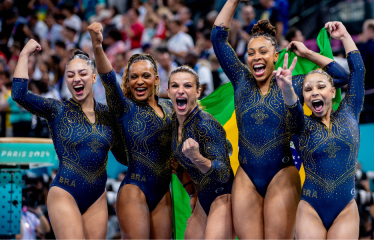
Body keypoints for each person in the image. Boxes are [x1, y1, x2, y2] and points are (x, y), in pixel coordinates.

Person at [212, 1, 350, 238]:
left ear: (276, 56)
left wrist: (307, 53)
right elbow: (218, 37)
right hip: (246, 175)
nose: (256, 57)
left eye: (263, 52)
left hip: (281, 174)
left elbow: (341, 77)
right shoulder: (241, 81)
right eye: (251, 53)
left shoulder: (294, 84)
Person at [11, 39, 127, 239]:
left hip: (97, 197)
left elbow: (123, 156)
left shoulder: (107, 115)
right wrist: (24, 54)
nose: (76, 79)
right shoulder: (57, 110)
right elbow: (19, 94)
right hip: (65, 192)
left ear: (93, 77)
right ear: (66, 80)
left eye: (82, 74)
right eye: (70, 75)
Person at [277, 21, 363, 238]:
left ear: (333, 92)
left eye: (321, 87)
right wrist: (287, 89)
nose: (314, 92)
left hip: (345, 209)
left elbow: (357, 72)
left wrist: (344, 36)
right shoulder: (301, 125)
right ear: (303, 97)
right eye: (308, 89)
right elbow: (292, 107)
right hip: (311, 208)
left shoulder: (349, 112)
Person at [88, 22, 174, 239]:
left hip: (163, 193)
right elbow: (108, 80)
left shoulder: (171, 108)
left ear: (156, 79)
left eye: (145, 76)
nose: (139, 81)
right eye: (133, 77)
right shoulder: (125, 108)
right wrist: (97, 46)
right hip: (134, 190)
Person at [168, 66, 235, 239]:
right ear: (168, 92)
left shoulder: (206, 124)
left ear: (198, 92)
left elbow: (222, 174)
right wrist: (191, 194)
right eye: (175, 86)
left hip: (224, 197)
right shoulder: (173, 124)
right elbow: (180, 167)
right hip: (202, 198)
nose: (180, 90)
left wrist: (197, 158)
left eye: (187, 86)